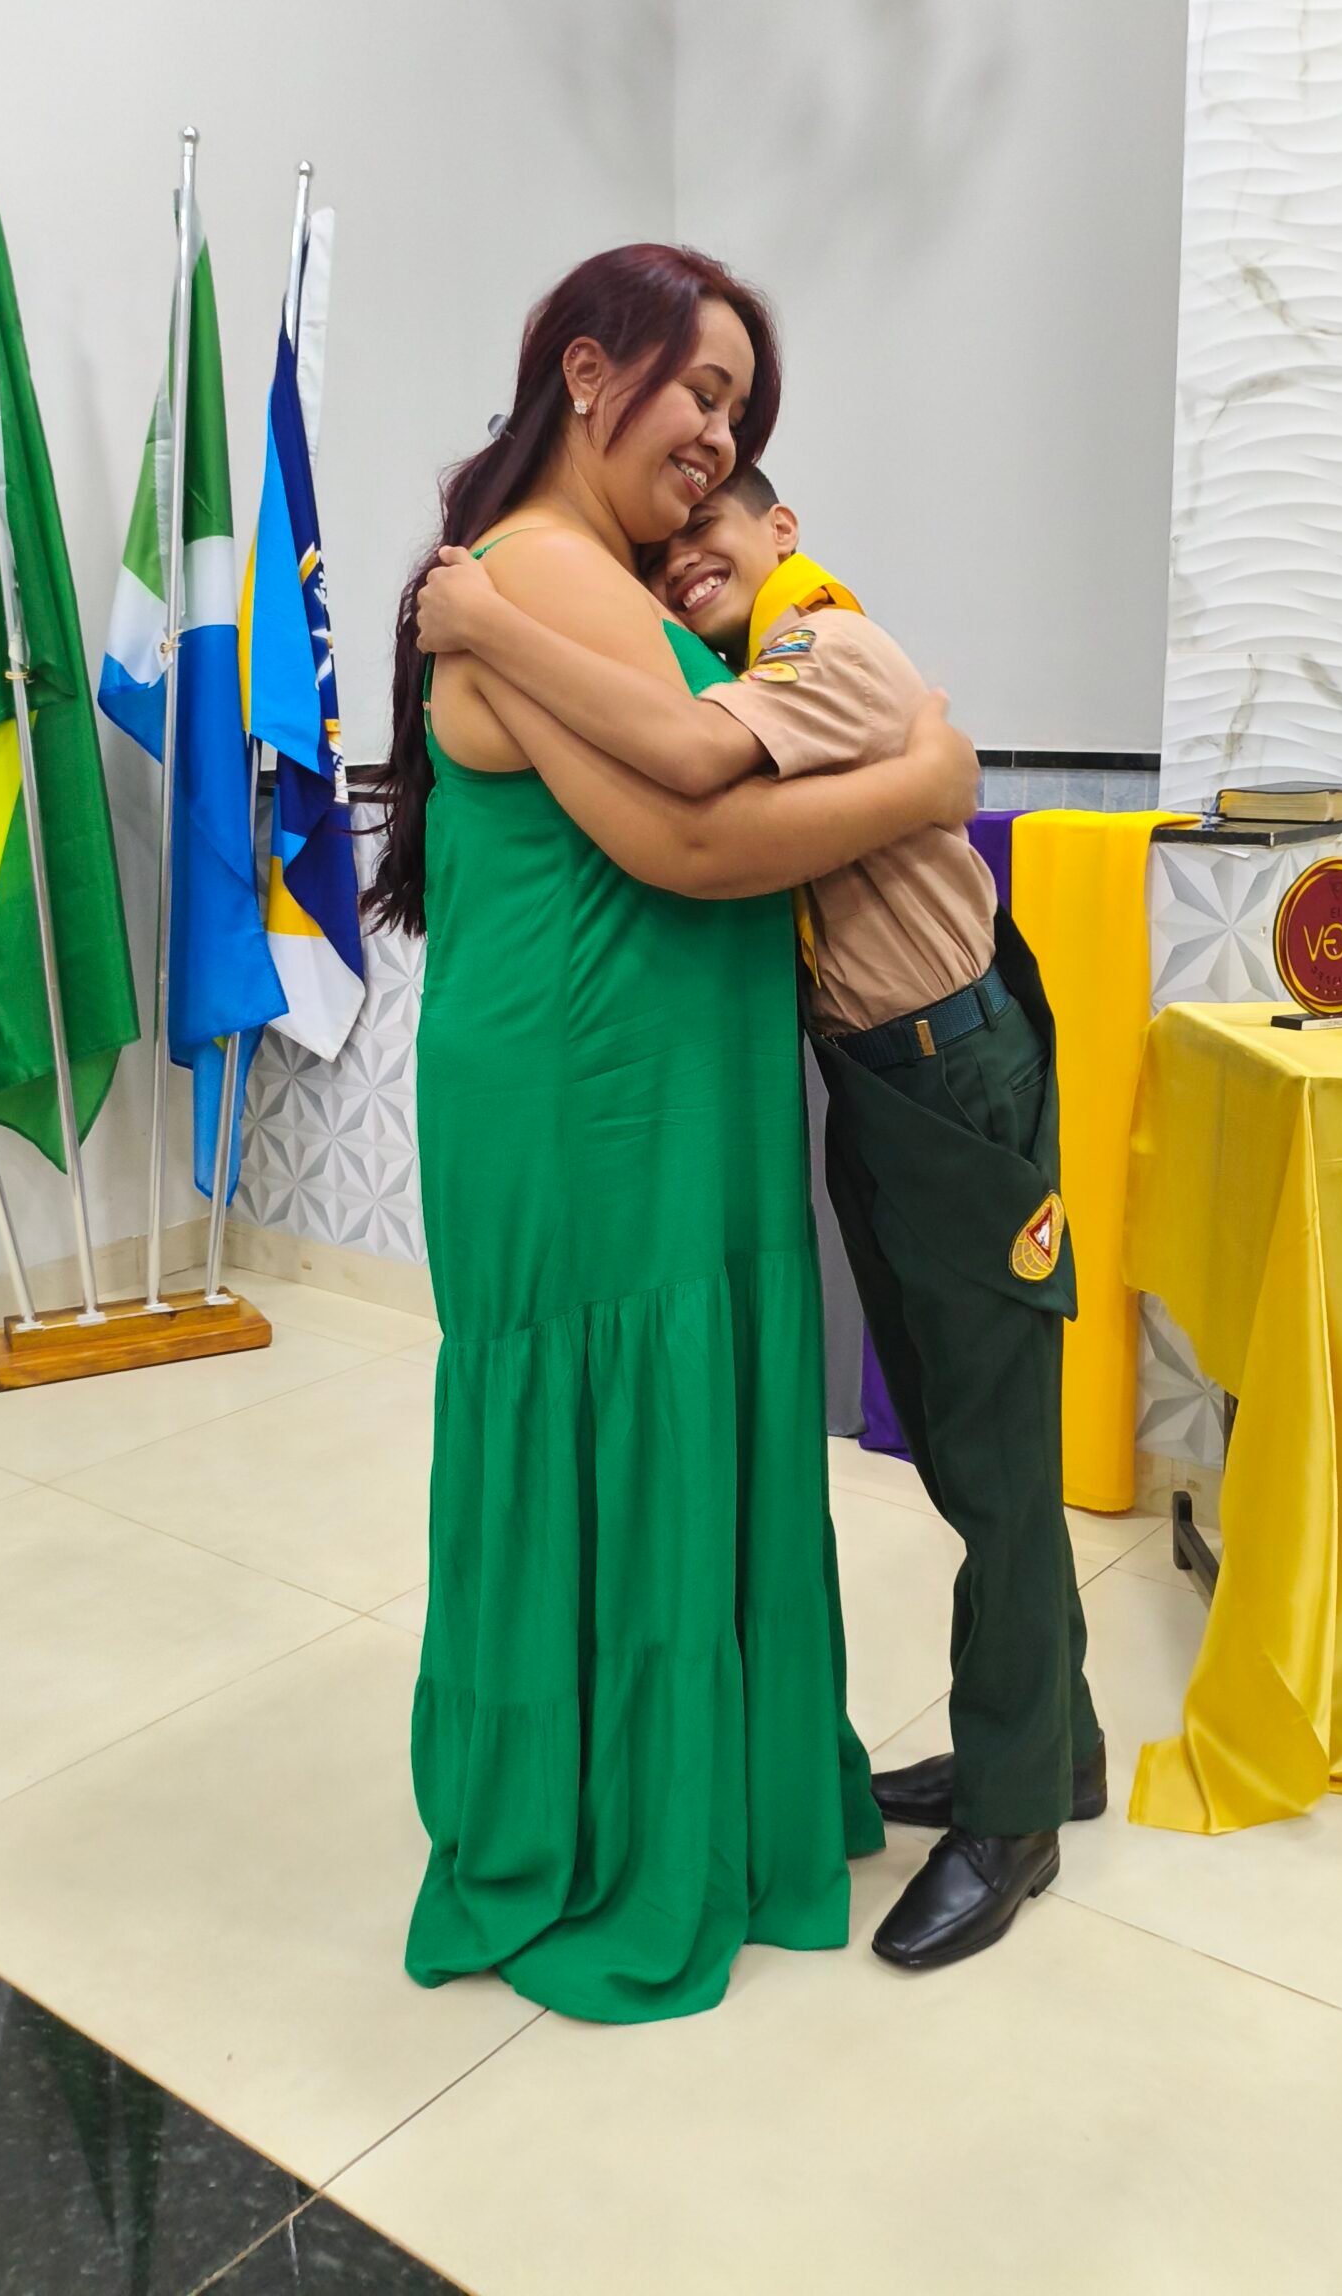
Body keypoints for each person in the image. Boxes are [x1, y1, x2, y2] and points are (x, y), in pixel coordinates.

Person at [366, 245, 981, 2023]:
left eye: (738, 410)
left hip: (657, 1092)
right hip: (586, 1099)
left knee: (683, 1424)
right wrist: (934, 780)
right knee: (618, 1425)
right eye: (699, 390)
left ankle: (693, 1785)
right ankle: (609, 1822)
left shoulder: (587, 577)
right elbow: (692, 843)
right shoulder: (534, 572)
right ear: (586, 372)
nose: (718, 434)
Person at [415, 461, 1106, 1976]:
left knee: (993, 1450)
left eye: (713, 526)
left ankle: (1016, 1815)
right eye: (666, 554)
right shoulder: (763, 655)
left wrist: (488, 628)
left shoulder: (820, 644)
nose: (684, 564)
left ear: (782, 529)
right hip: (890, 1078)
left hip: (950, 1075)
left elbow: (686, 772)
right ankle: (1053, 1746)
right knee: (958, 1428)